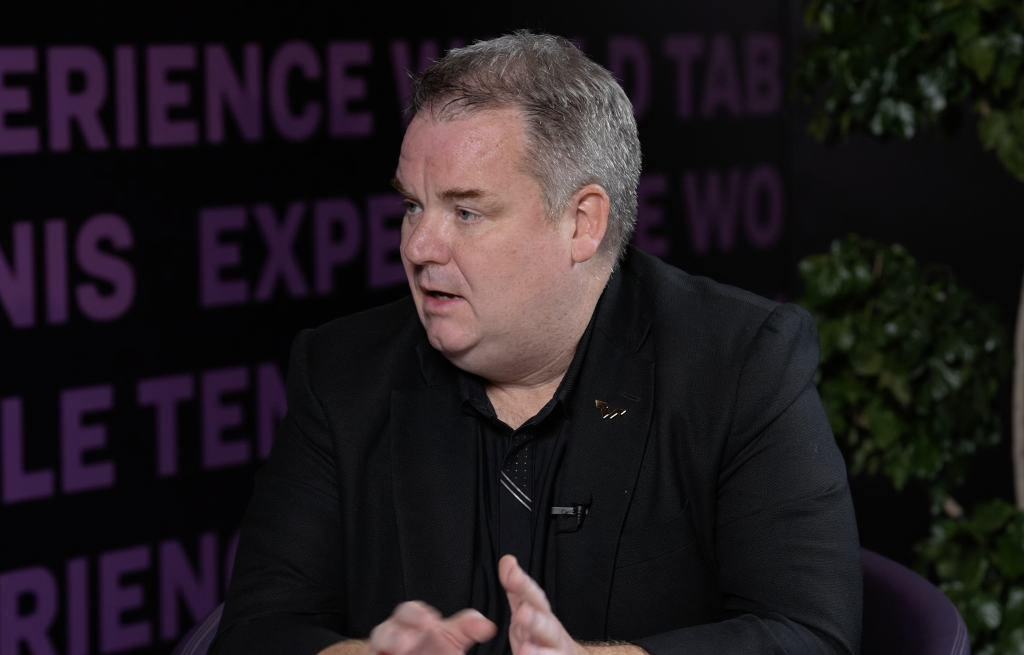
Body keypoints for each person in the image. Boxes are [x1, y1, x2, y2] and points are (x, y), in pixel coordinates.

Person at [210, 31, 862, 655]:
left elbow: (809, 634)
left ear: (582, 223)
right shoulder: (340, 372)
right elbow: (256, 631)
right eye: (412, 206)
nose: (418, 246)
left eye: (466, 211)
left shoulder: (739, 362)